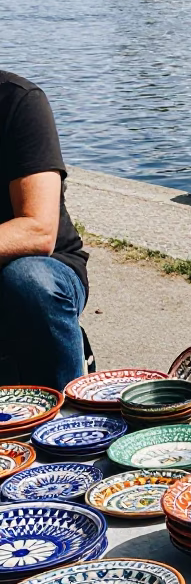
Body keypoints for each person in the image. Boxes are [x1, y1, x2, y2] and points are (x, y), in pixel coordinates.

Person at [0, 71, 88, 389]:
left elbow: (38, 230)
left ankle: (72, 418)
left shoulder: (19, 101)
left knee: (28, 280)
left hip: (44, 269)